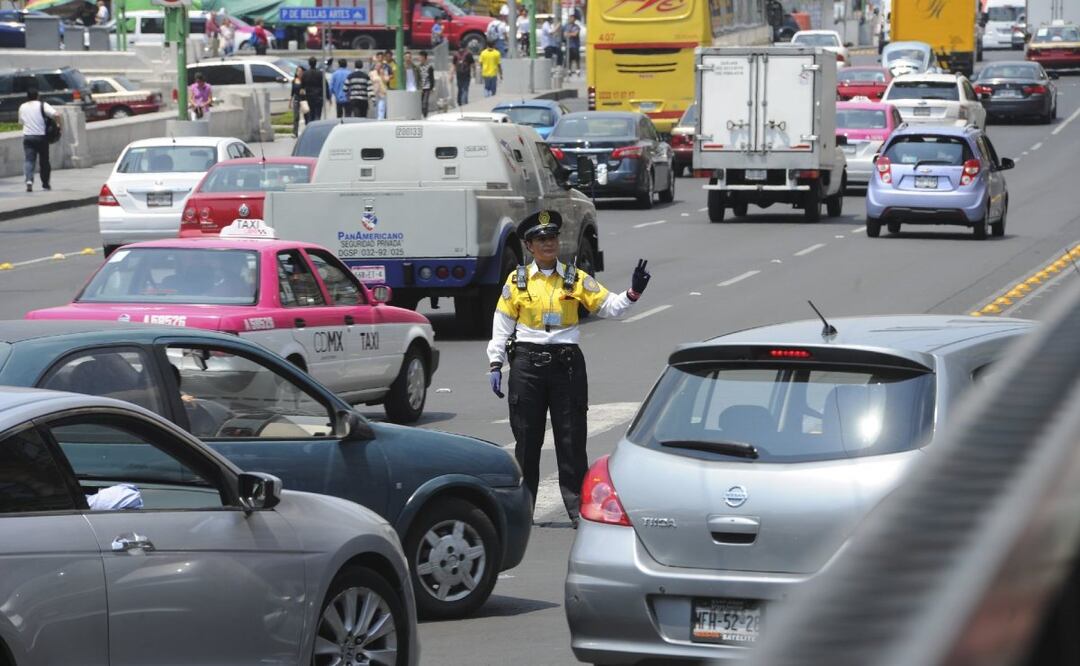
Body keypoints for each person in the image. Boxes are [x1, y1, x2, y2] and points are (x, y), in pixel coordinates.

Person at [486, 210, 652, 525]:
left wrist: (633, 293)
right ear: (529, 245)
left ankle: (578, 509)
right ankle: (524, 509)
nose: (549, 244)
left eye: (552, 238)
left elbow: (609, 306)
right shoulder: (517, 281)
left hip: (567, 365)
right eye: (541, 239)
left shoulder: (574, 278)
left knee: (571, 438)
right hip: (527, 365)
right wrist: (496, 361)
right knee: (527, 439)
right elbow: (502, 322)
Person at [18, 88, 60, 193]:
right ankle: (45, 184)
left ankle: (29, 180)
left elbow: (21, 122)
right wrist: (59, 126)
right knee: (44, 161)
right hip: (41, 137)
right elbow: (56, 114)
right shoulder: (42, 105)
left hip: (28, 137)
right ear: (37, 96)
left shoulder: (22, 107)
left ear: (27, 97)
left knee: (29, 160)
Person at [301, 56, 325, 123]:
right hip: (318, 97)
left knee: (310, 115)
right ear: (316, 63)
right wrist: (328, 96)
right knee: (317, 114)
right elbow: (324, 85)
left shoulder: (305, 74)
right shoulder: (320, 74)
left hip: (309, 96)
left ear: (309, 63)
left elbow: (302, 87)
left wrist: (302, 98)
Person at [418, 50, 435, 116]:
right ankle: (422, 114)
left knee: (425, 102)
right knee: (420, 102)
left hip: (427, 87)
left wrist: (432, 87)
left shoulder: (429, 67)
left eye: (420, 57)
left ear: (424, 58)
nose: (419, 58)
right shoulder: (418, 67)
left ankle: (425, 115)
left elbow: (432, 78)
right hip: (420, 88)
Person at [289, 66, 305, 136]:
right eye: (298, 71)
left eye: (301, 71)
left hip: (303, 99)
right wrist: (290, 101)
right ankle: (295, 132)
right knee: (296, 116)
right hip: (296, 99)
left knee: (306, 115)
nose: (299, 73)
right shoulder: (294, 81)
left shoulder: (305, 80)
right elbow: (292, 92)